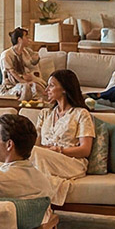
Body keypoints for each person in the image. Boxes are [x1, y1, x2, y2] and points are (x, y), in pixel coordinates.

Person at [28, 70, 96, 205]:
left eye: (51, 85)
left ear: (64, 89)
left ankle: (39, 205)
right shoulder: (45, 114)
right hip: (45, 159)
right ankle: (34, 202)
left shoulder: (81, 114)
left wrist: (58, 150)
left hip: (72, 162)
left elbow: (85, 150)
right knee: (29, 153)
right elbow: (36, 144)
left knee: (34, 154)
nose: (47, 90)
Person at [1, 26, 44, 99]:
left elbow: (31, 64)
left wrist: (36, 59)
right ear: (19, 39)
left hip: (25, 80)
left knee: (40, 85)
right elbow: (13, 74)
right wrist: (25, 82)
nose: (29, 39)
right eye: (26, 37)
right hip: (11, 86)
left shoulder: (25, 51)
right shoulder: (6, 55)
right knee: (29, 87)